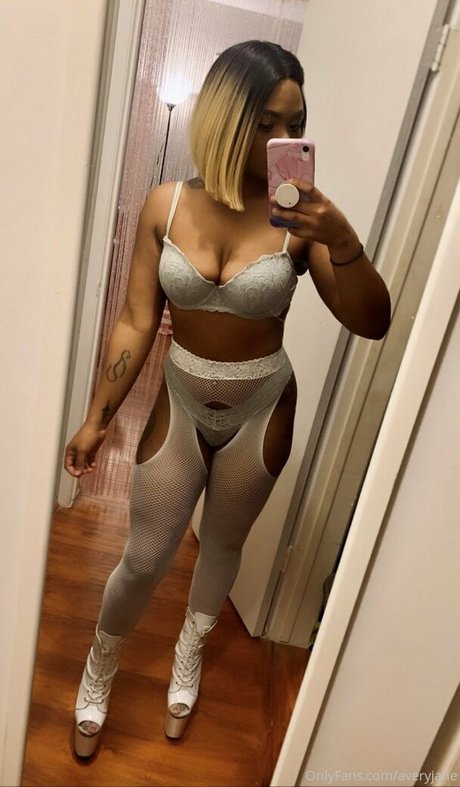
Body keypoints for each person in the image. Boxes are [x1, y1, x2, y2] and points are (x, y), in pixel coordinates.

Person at [65, 40, 391, 757]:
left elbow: (372, 323)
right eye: (266, 122)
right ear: (224, 116)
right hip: (181, 399)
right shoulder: (167, 204)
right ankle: (101, 664)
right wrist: (96, 419)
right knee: (144, 557)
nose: (282, 139)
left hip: (261, 407)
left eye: (295, 123)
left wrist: (343, 241)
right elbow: (137, 320)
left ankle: (191, 646)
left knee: (222, 543)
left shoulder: (299, 220)